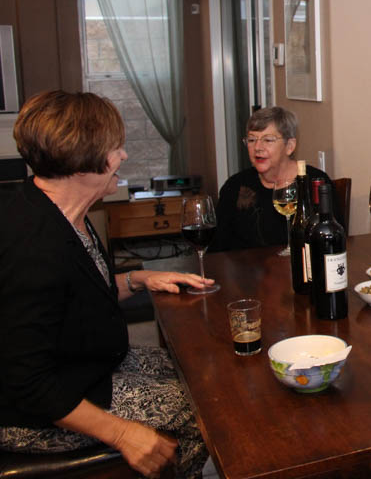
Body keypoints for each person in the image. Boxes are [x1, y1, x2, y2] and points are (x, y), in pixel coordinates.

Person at [0, 91, 212, 478]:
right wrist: (124, 434)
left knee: (201, 373)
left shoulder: (64, 214)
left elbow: (77, 295)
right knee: (204, 409)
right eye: (116, 148)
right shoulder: (32, 245)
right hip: (37, 410)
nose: (124, 156)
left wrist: (139, 278)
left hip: (87, 367)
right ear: (83, 161)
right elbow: (28, 383)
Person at [209, 106, 330, 252]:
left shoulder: (315, 183)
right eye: (252, 139)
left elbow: (330, 242)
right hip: (246, 273)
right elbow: (217, 249)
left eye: (268, 140)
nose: (258, 147)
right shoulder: (234, 186)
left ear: (289, 146)